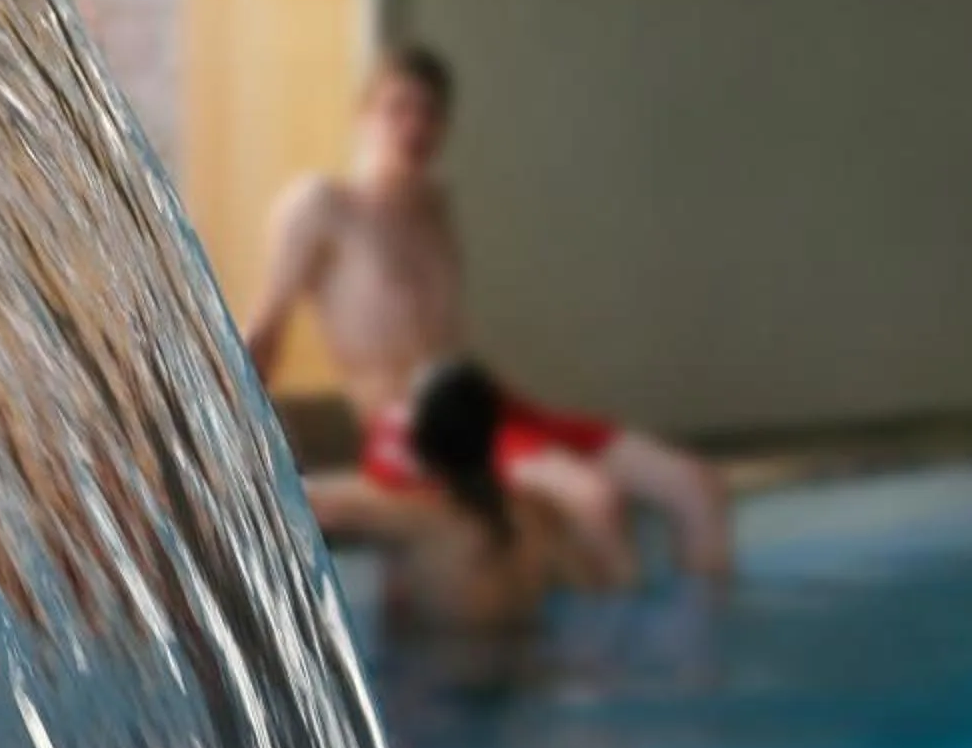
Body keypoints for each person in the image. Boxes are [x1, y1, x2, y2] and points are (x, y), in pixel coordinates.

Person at [246, 43, 734, 583]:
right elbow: (264, 336)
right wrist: (234, 454)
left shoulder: (435, 207)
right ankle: (621, 662)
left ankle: (705, 655)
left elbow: (447, 341)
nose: (415, 126)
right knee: (593, 498)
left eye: (429, 112)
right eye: (398, 108)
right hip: (413, 431)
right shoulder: (322, 207)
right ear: (364, 118)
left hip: (486, 406)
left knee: (697, 484)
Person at [304, 360, 628, 639]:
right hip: (524, 673)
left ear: (420, 442)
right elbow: (597, 586)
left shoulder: (419, 518)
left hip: (442, 679)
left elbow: (308, 503)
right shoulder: (534, 515)